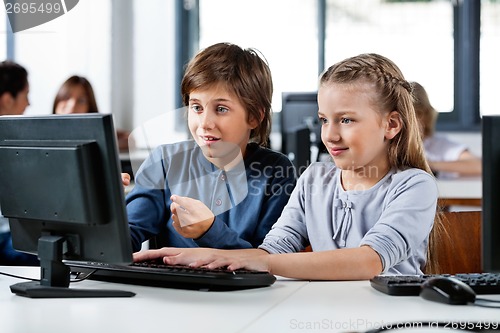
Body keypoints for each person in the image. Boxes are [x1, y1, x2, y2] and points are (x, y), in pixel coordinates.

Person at [134, 53, 444, 280]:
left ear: (391, 124)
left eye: (346, 120)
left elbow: (369, 262)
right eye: (324, 120)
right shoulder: (315, 178)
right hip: (325, 312)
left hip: (392, 316)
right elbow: (273, 251)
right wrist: (209, 256)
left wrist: (247, 258)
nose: (330, 134)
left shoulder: (415, 185)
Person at [126, 42, 296, 252]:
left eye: (221, 109)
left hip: (245, 286)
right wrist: (103, 215)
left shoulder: (276, 172)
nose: (205, 123)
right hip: (169, 285)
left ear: (254, 117)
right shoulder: (164, 161)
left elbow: (268, 258)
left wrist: (209, 231)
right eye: (196, 107)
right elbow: (126, 237)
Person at [0, 60, 39, 265]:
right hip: (6, 236)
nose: (29, 103)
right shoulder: (12, 145)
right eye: (26, 95)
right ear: (7, 100)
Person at [411, 81, 481, 178]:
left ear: (425, 117)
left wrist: (429, 165)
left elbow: (479, 166)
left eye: (416, 116)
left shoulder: (439, 146)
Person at [52, 75, 130, 151]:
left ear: (89, 108)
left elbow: (129, 139)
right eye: (66, 97)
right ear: (57, 100)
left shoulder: (97, 134)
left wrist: (102, 144)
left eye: (81, 100)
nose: (72, 105)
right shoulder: (43, 134)